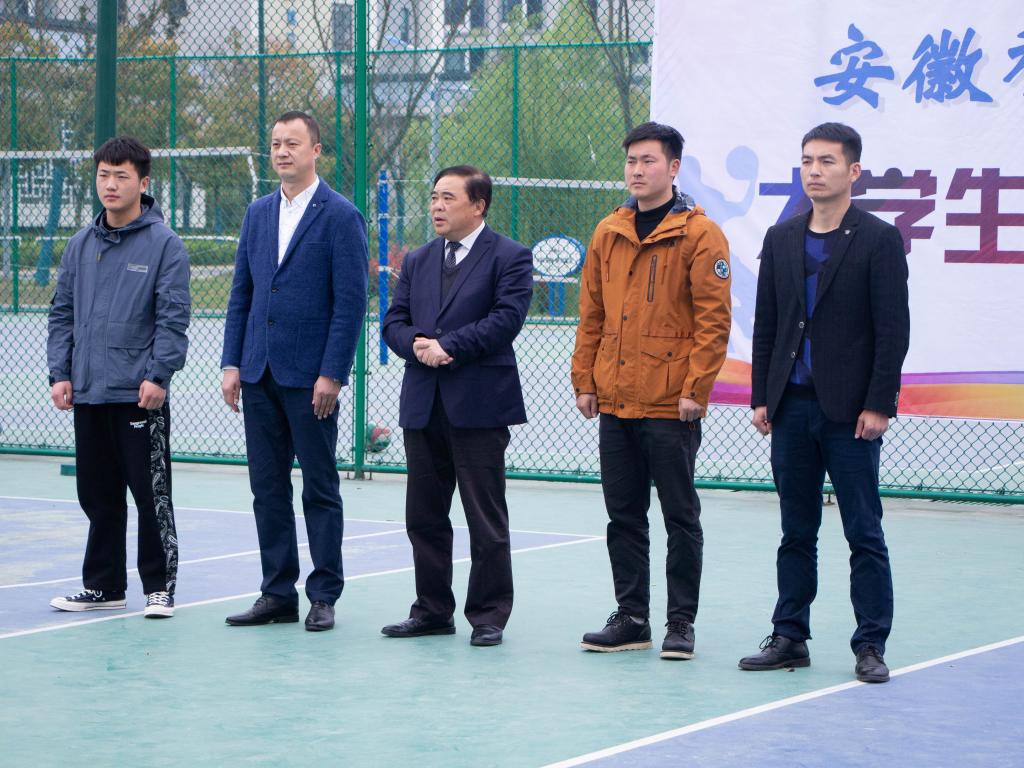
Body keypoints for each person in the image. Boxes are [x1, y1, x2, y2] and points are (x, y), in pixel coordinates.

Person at [738, 123, 910, 683]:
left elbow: (892, 330)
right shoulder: (781, 237)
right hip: (791, 408)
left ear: (853, 171)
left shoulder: (879, 239)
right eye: (807, 161)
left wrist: (879, 403)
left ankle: (870, 645)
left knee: (864, 532)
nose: (815, 170)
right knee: (796, 530)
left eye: (827, 161)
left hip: (851, 414)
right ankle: (790, 636)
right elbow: (768, 324)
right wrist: (763, 396)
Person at [571, 122, 732, 659]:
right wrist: (584, 379)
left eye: (648, 161)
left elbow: (713, 321)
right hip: (616, 401)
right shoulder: (609, 231)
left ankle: (680, 623)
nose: (637, 171)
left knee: (680, 517)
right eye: (631, 161)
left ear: (673, 167)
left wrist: (695, 389)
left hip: (671, 404)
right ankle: (632, 617)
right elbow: (591, 313)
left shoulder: (700, 234)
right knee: (623, 516)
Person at [220, 111, 368, 632]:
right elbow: (242, 294)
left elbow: (350, 304)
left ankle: (323, 595)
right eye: (276, 144)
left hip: (310, 380)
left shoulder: (341, 216)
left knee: (320, 488)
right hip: (258, 373)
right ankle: (276, 593)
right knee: (267, 489)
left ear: (316, 151)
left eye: (293, 144)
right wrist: (232, 362)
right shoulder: (258, 213)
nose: (282, 152)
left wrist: (332, 374)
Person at [380, 166, 533, 647]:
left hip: (479, 406)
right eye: (433, 197)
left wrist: (449, 346)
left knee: (484, 517)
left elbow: (506, 320)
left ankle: (488, 616)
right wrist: (417, 344)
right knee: (423, 516)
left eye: (448, 198)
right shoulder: (419, 260)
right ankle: (431, 611)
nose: (437, 206)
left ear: (479, 205)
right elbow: (393, 321)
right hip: (423, 404)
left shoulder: (510, 256)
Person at [47, 136, 191, 619]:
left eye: (121, 176)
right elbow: (62, 314)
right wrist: (60, 372)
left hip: (139, 394)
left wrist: (158, 375)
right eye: (103, 175)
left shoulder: (165, 245)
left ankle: (159, 587)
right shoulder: (79, 245)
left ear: (143, 183)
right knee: (97, 494)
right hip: (88, 391)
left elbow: (172, 318)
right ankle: (104, 585)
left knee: (151, 494)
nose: (110, 184)